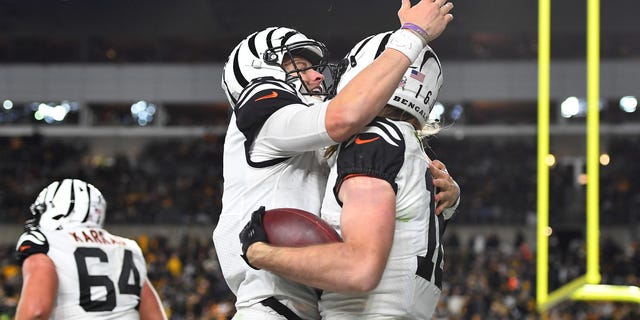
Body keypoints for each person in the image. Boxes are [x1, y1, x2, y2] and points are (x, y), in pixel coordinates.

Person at [213, 1, 456, 318]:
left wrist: (448, 197)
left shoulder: (368, 141)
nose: (316, 76)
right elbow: (344, 116)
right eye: (299, 65)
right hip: (274, 303)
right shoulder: (263, 114)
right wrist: (411, 35)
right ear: (262, 68)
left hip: (311, 297)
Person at [14, 179, 167, 320]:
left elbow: (36, 310)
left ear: (59, 209)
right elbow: (156, 317)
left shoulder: (45, 240)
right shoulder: (128, 248)